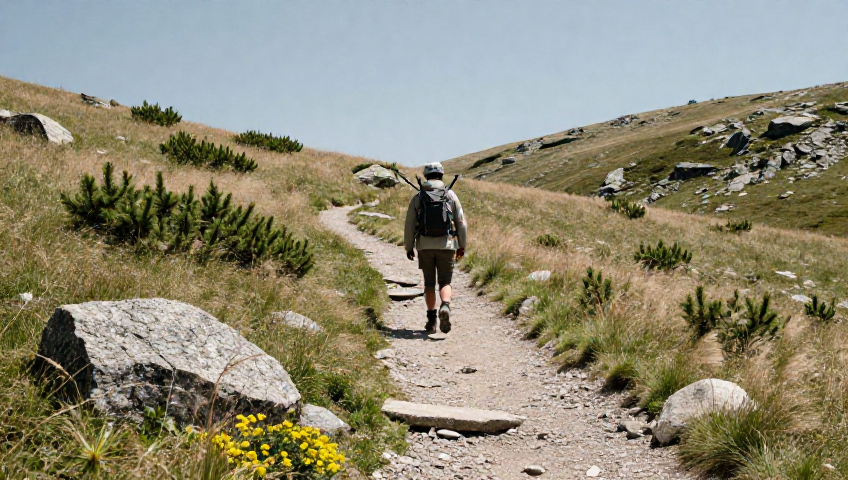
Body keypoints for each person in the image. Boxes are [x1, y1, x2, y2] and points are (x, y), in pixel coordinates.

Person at [404, 162, 467, 334]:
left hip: (425, 245)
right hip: (447, 245)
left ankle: (431, 320)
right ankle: (445, 306)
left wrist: (409, 247)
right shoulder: (450, 195)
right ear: (441, 175)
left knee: (429, 283)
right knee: (445, 281)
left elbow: (409, 224)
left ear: (426, 176)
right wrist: (462, 245)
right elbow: (461, 223)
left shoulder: (419, 197)